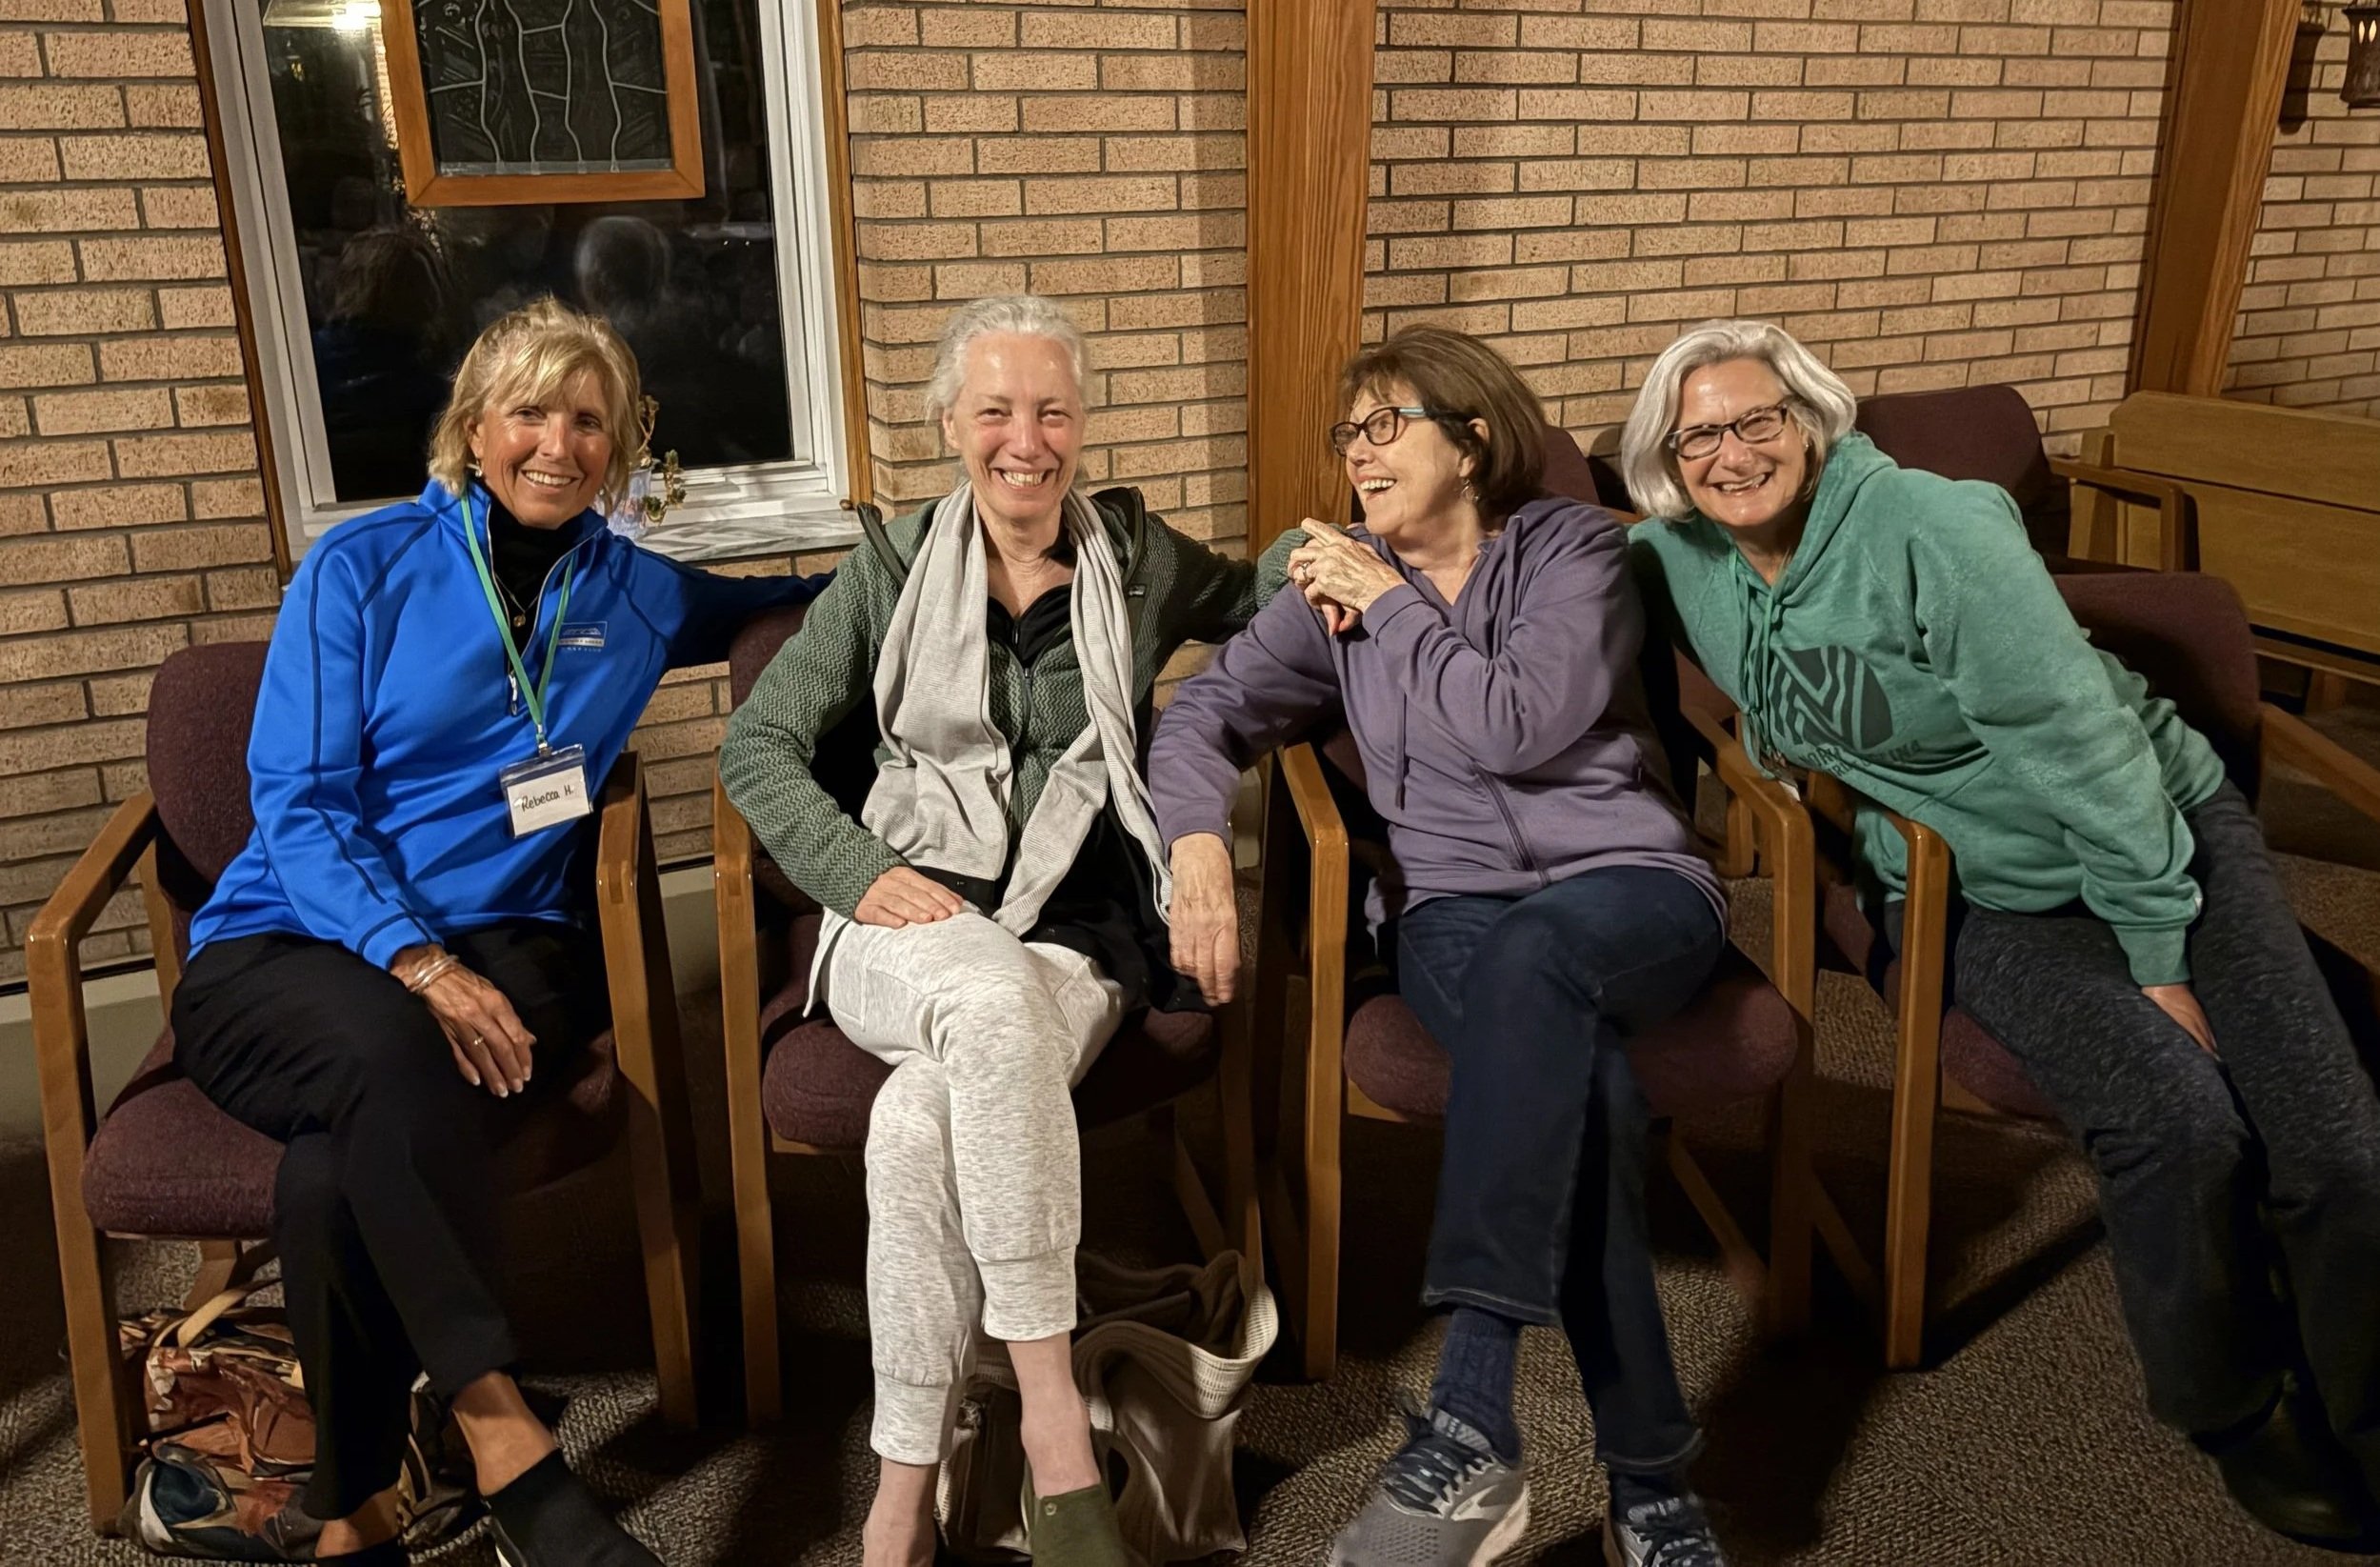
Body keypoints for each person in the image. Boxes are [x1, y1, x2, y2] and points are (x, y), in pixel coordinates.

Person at [1621, 318, 2380, 1551]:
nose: (1730, 449)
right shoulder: (1678, 557)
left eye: (1757, 417)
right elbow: (1520, 558)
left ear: (1812, 420)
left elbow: (2089, 747)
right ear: (1666, 460)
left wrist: (2157, 949)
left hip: (2156, 830)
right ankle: (2235, 1404)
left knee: (2332, 1127)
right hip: (1964, 883)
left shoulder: (1936, 528)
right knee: (2175, 1112)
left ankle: (2367, 1396)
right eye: (1696, 431)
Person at [171, 297, 821, 1566]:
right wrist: (413, 956)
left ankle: (354, 1497)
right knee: (383, 1059)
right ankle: (500, 1434)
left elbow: (795, 593)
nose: (559, 443)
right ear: (473, 430)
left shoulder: (636, 591)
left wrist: (970, 535)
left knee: (334, 1159)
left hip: (517, 940)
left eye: (590, 420)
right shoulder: (360, 569)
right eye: (529, 411)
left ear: (620, 452)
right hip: (294, 939)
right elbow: (296, 802)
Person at [717, 293, 1296, 1567]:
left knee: (916, 1116)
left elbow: (1260, 595)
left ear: (1083, 427)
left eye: (1052, 410)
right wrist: (856, 871)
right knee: (978, 994)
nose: (1024, 438)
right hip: (902, 919)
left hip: (1078, 931)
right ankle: (1050, 1425)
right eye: (995, 410)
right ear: (950, 425)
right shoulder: (887, 569)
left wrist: (1350, 550)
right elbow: (756, 747)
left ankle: (898, 1499)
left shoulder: (1133, 556)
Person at [1150, 326, 1731, 1567]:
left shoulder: (1573, 548)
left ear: (1470, 440)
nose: (1357, 454)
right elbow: (1199, 713)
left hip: (1633, 882)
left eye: (1385, 425)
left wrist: (1393, 607)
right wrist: (1197, 839)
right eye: (1345, 435)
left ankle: (1469, 1423)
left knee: (1543, 966)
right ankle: (1653, 1491)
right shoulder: (1334, 590)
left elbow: (1521, 724)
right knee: (1597, 1097)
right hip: (1456, 912)